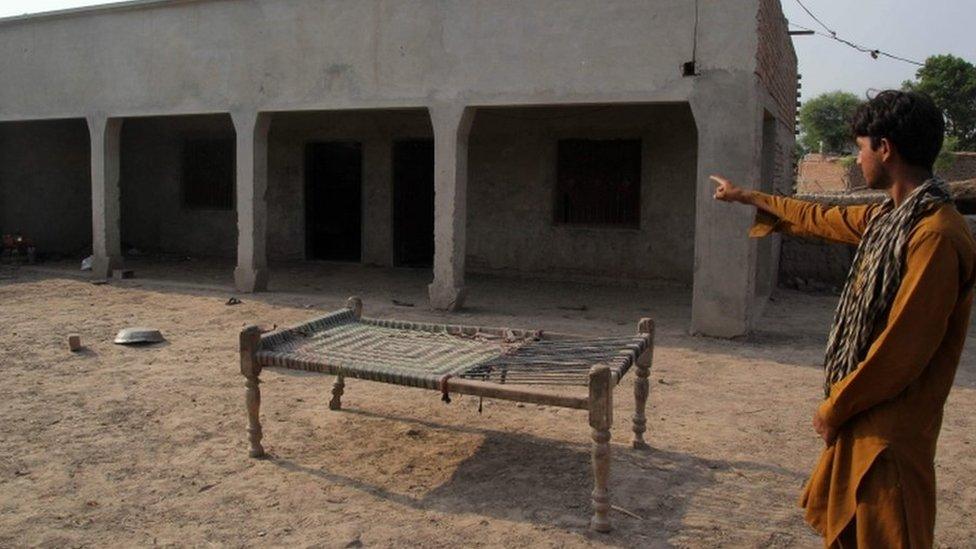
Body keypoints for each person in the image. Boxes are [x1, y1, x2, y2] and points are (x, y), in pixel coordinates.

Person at [711, 90, 976, 548]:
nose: (858, 159)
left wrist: (835, 408)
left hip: (889, 435)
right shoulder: (890, 220)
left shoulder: (934, 234)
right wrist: (748, 197)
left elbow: (903, 349)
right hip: (867, 419)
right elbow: (821, 216)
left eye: (860, 148)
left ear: (885, 149)